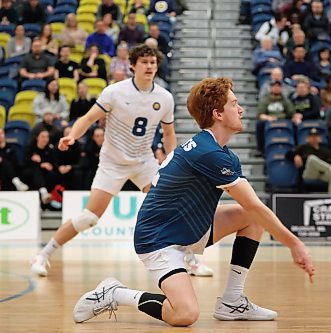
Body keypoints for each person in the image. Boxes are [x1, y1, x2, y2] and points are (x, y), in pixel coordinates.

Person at [72, 77, 315, 326]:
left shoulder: (220, 152)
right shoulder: (209, 153)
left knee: (251, 217)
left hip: (188, 228)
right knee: (185, 314)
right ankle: (115, 293)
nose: (241, 109)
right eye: (234, 104)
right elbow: (255, 205)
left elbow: (253, 209)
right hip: (158, 240)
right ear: (218, 113)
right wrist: (294, 244)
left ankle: (232, 301)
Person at [30, 44, 177, 277]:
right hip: (112, 163)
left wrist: (172, 161)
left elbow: (169, 135)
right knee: (89, 217)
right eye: (145, 62)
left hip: (143, 161)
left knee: (169, 208)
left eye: (153, 62)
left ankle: (190, 261)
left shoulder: (165, 98)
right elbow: (87, 119)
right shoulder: (114, 92)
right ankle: (43, 254)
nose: (150, 66)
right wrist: (71, 136)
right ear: (132, 65)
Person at [291, 128, 331, 193]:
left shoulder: (325, 150)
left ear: (319, 138)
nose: (314, 138)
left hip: (322, 174)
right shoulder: (303, 147)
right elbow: (288, 154)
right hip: (309, 173)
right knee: (311, 158)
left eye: (316, 136)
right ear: (308, 138)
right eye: (312, 136)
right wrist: (295, 156)